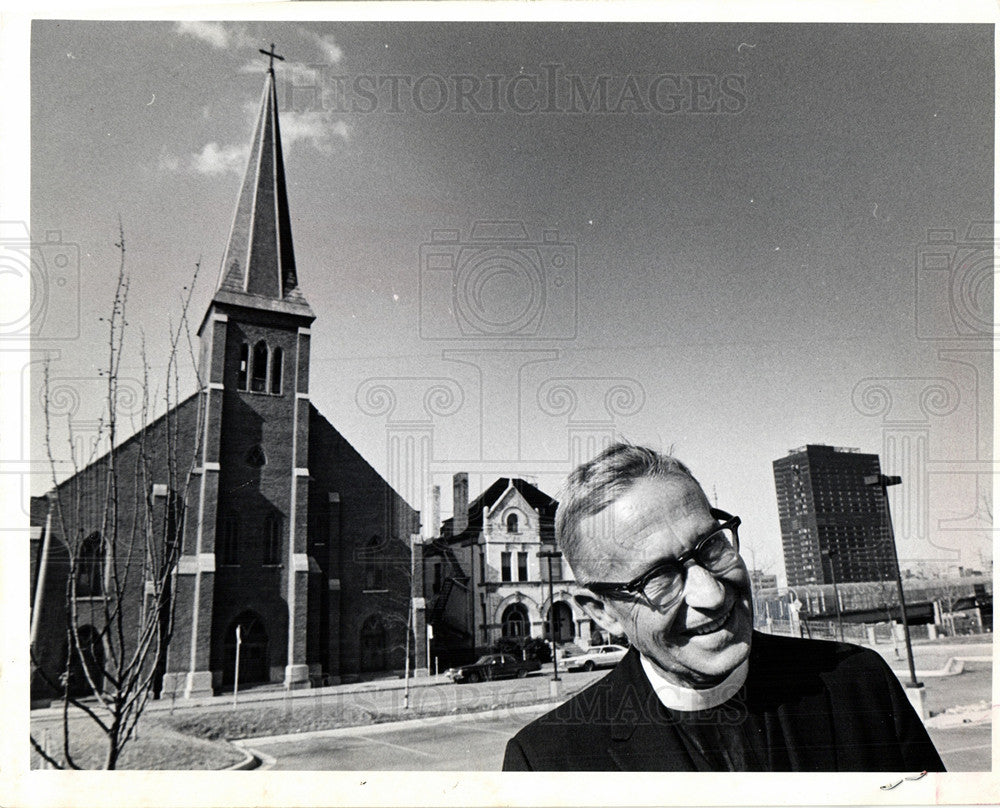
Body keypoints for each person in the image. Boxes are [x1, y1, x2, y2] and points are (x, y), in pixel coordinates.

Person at [502, 443, 945, 772]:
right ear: (600, 612)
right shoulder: (546, 763)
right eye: (659, 577)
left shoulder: (858, 685)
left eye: (711, 546)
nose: (712, 595)